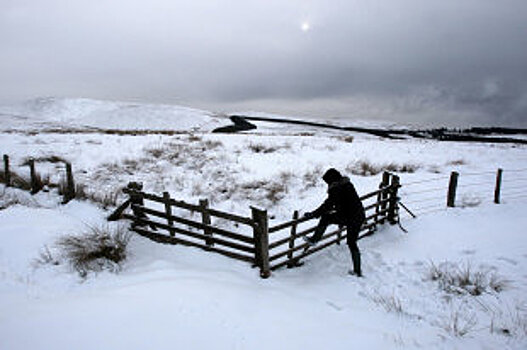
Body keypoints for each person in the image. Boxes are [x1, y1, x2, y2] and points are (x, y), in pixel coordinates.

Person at [303, 168, 366, 277]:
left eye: (327, 181)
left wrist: (314, 214)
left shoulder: (337, 188)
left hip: (349, 217)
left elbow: (328, 204)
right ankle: (357, 270)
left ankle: (314, 239)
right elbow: (345, 202)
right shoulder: (347, 184)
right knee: (352, 243)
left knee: (326, 218)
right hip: (359, 216)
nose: (327, 184)